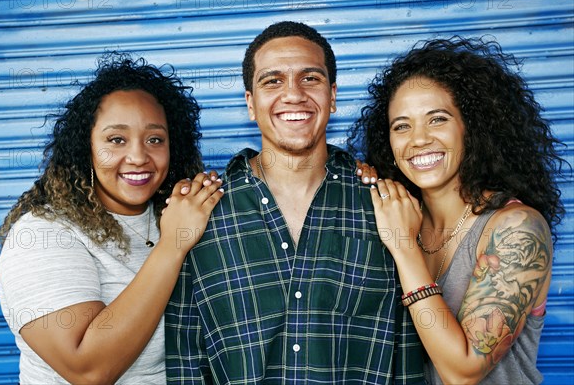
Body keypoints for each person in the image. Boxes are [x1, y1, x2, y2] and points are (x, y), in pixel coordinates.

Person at [164, 21, 424, 384]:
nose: (293, 94)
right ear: (250, 104)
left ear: (332, 96)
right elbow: (186, 359)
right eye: (273, 80)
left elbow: (406, 355)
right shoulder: (201, 210)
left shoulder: (384, 206)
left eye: (310, 78)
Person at [0, 52, 224, 384]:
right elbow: (87, 369)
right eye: (116, 139)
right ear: (85, 147)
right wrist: (173, 244)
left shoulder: (177, 214)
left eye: (155, 139)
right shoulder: (43, 235)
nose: (138, 156)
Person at [349, 36, 566, 384]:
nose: (419, 139)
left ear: (472, 128)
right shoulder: (396, 215)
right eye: (401, 126)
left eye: (437, 119)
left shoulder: (516, 228)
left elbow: (462, 370)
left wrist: (404, 247)